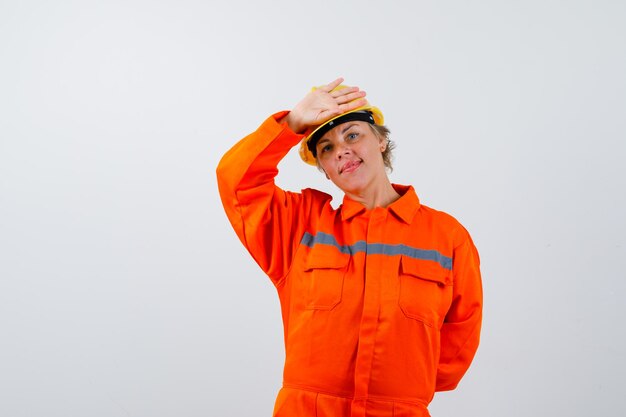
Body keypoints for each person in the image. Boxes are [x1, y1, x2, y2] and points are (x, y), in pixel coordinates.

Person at [216, 77, 483, 417]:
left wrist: (398, 388)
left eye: (352, 135)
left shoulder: (447, 237)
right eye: (325, 148)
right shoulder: (299, 225)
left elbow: (458, 343)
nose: (340, 150)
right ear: (325, 170)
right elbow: (236, 181)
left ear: (381, 142)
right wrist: (291, 124)